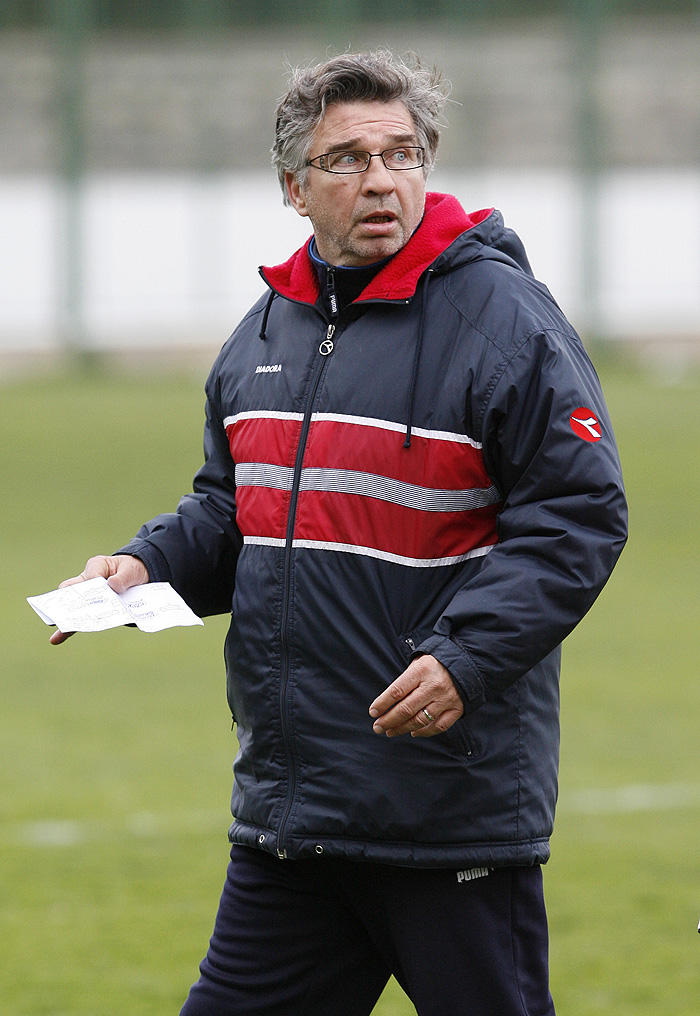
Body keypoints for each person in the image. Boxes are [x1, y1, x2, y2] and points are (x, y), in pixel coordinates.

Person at [50, 50, 627, 1016]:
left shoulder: (502, 319)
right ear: (293, 186)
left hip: (447, 813)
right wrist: (143, 565)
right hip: (297, 814)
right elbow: (237, 513)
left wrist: (465, 659)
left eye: (402, 155)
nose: (381, 182)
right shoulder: (264, 331)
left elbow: (577, 512)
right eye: (349, 160)